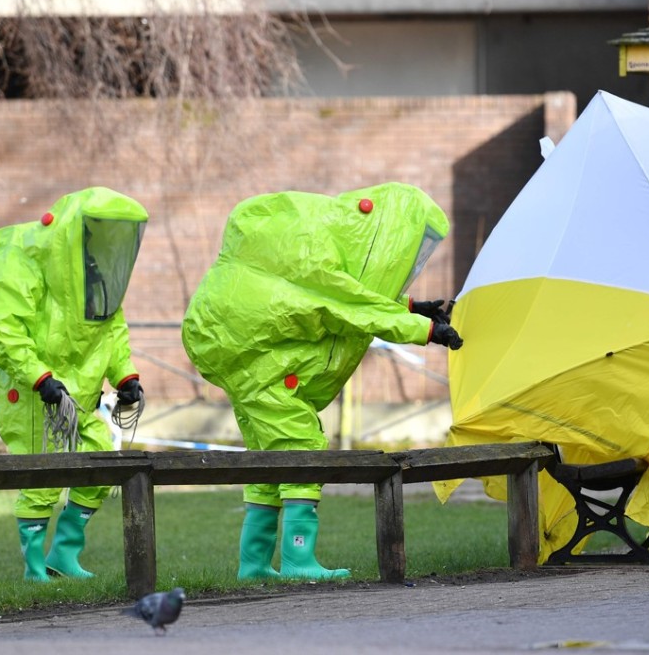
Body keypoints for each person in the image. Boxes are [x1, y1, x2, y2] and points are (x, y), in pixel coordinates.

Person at [181, 182, 463, 582]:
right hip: (259, 362)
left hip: (245, 356)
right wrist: (426, 330)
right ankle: (298, 560)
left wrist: (414, 307)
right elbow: (346, 304)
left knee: (269, 460)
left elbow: (352, 294)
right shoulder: (316, 255)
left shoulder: (317, 244)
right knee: (301, 446)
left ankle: (254, 565)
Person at [0, 186, 149, 582]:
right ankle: (34, 569)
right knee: (43, 474)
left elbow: (110, 331)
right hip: (30, 391)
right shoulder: (19, 263)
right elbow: (4, 330)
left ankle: (63, 554)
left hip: (75, 392)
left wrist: (125, 376)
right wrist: (39, 378)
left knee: (102, 461)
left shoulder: (96, 274)